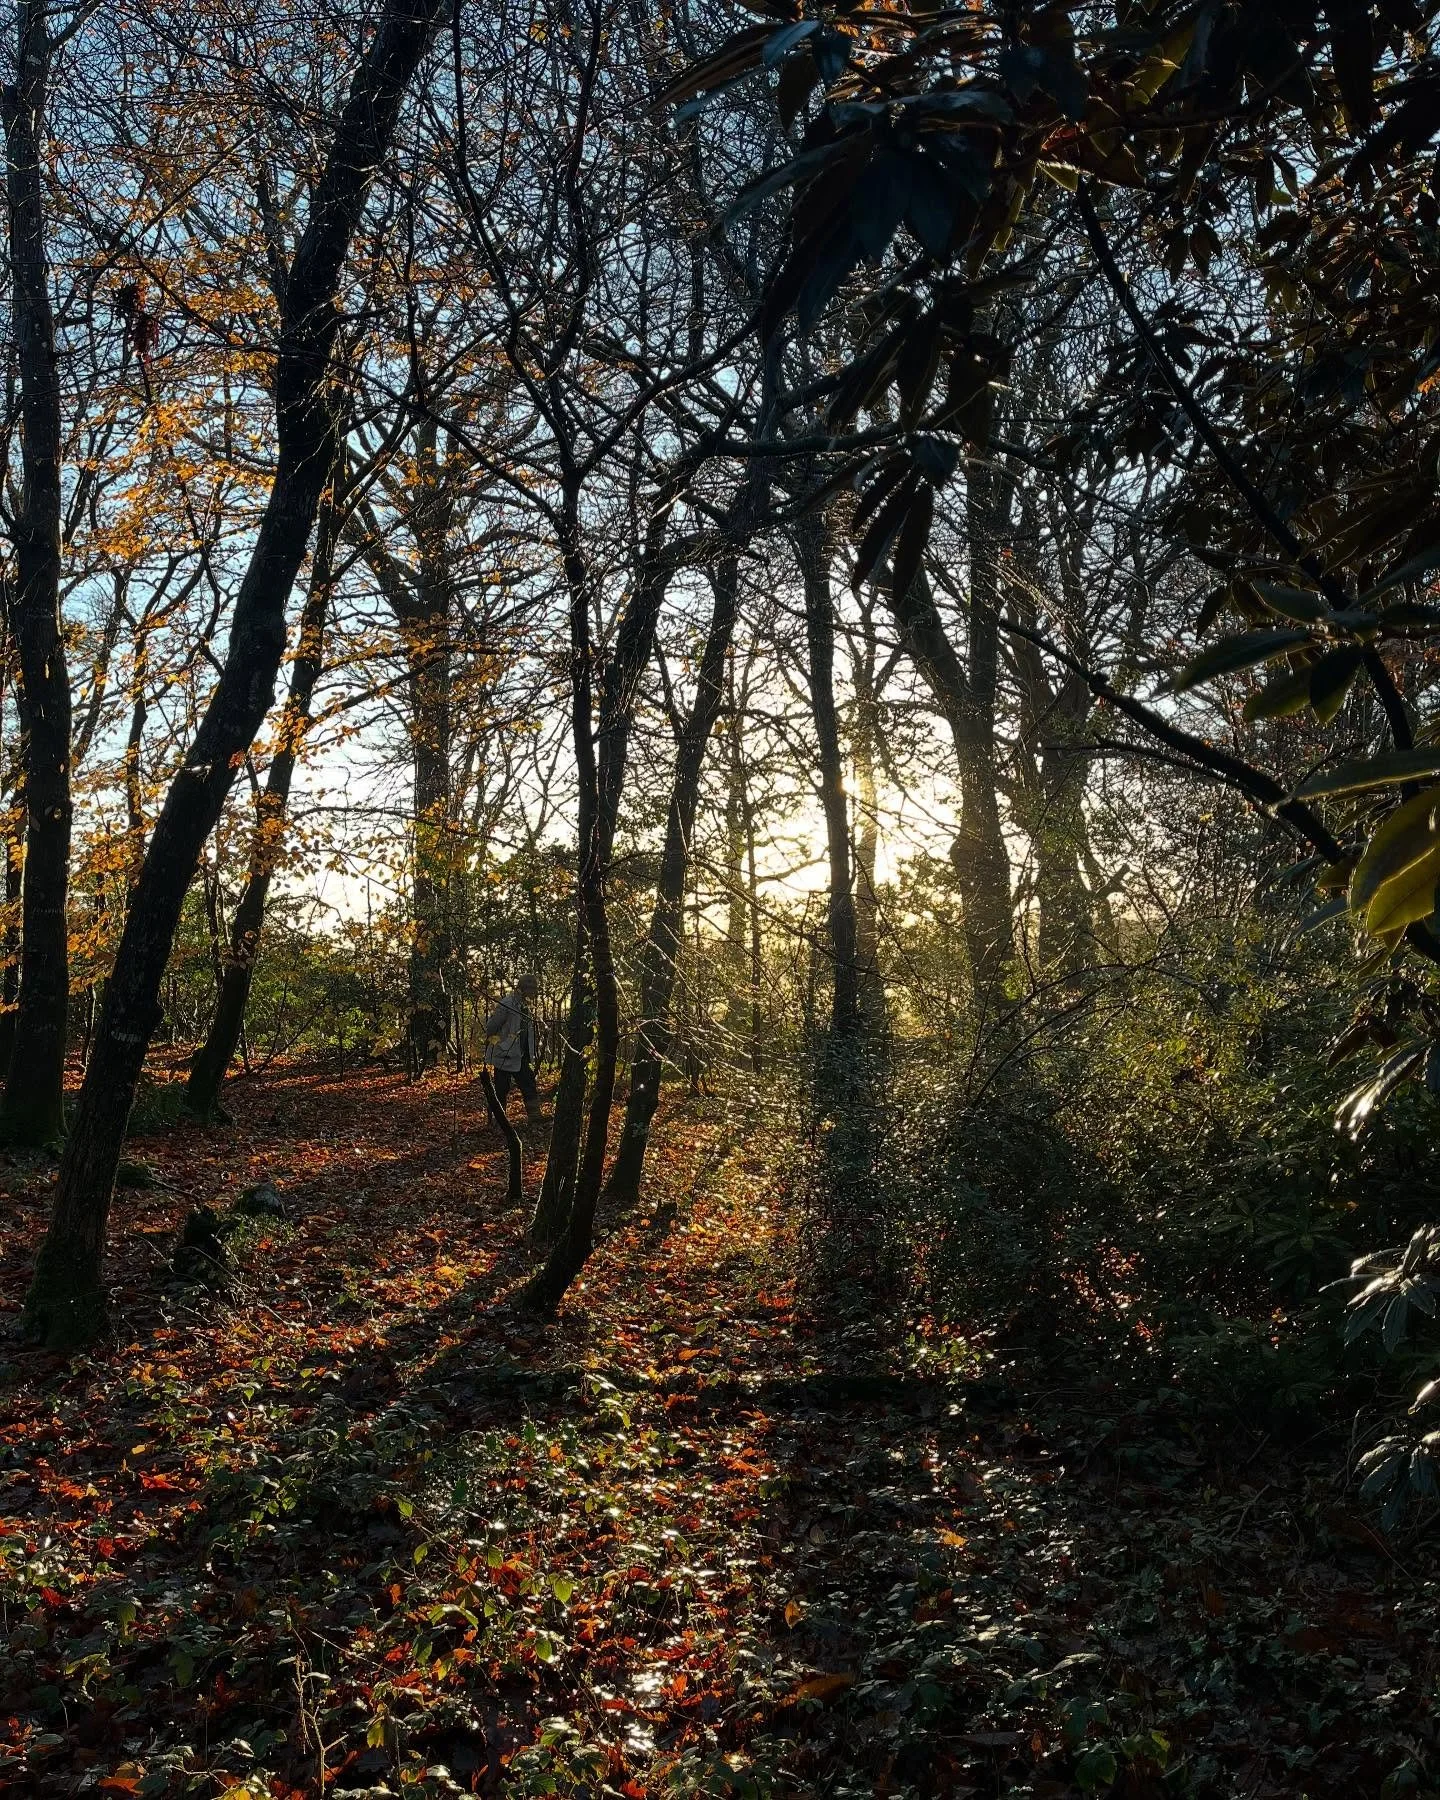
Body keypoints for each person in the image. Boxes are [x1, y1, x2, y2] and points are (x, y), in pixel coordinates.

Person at [483, 972, 542, 1124]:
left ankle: (535, 1117)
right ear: (523, 988)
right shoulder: (507, 1004)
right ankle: (498, 1121)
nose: (534, 993)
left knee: (529, 1084)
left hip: (521, 1056)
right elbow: (491, 1027)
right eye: (532, 989)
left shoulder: (525, 1006)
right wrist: (501, 1044)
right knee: (501, 1090)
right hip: (504, 1055)